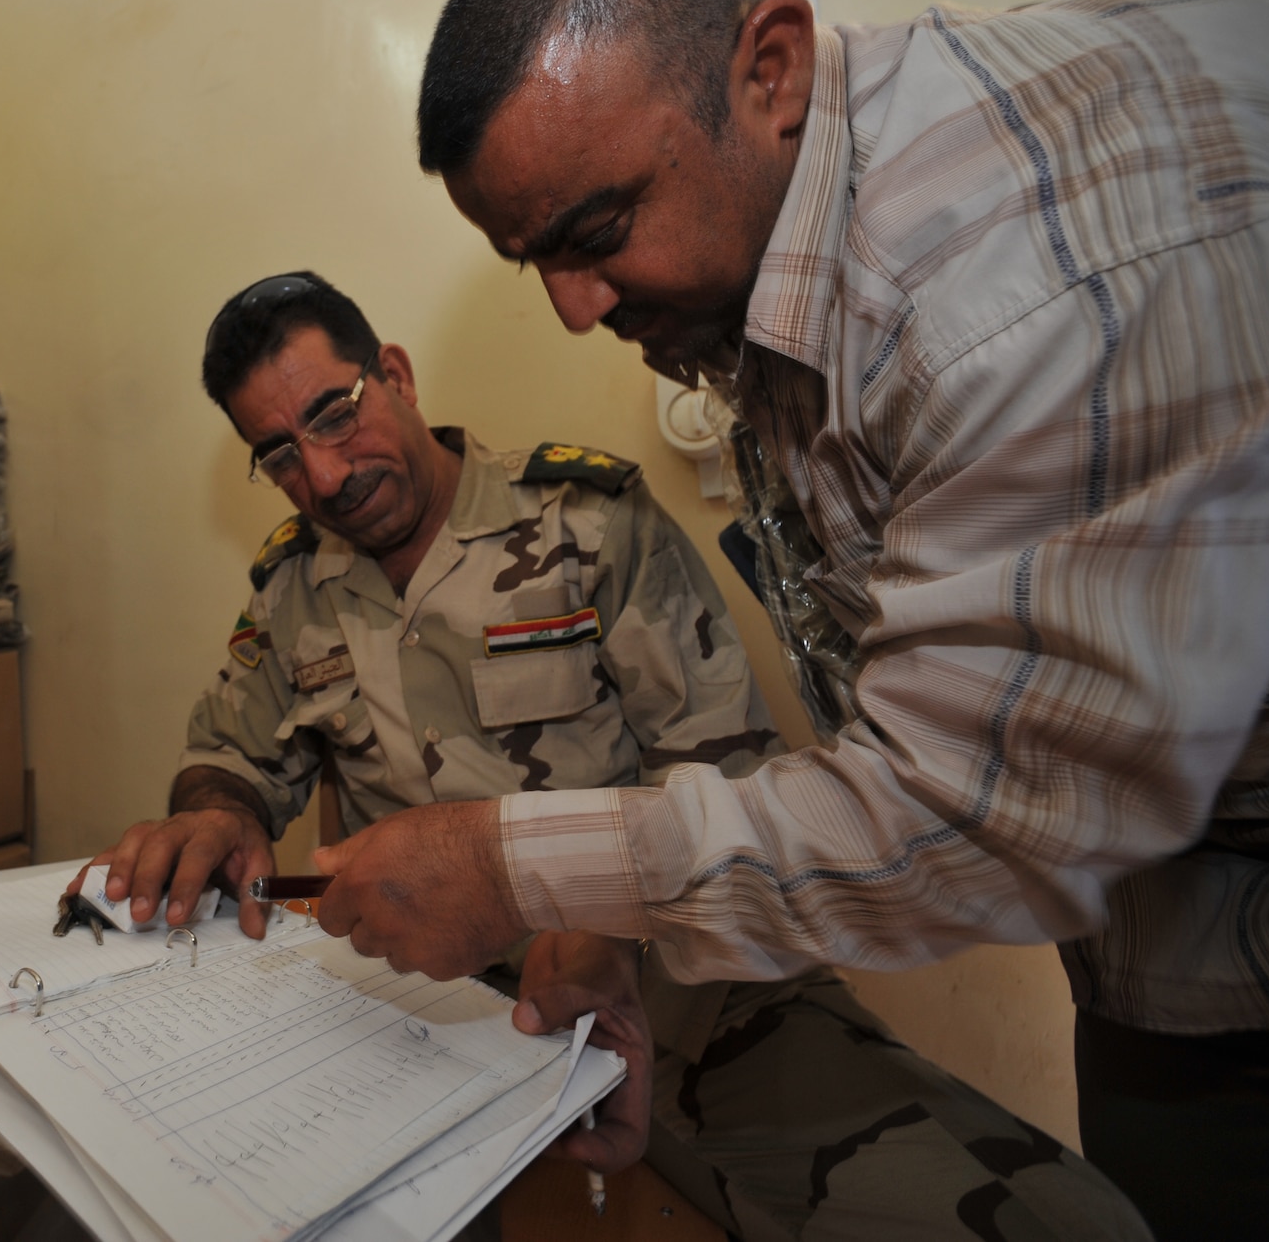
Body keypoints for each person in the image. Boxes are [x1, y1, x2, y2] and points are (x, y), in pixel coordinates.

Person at [299, 0, 1269, 1236]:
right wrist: (615, 912)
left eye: (597, 227)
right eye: (533, 257)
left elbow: (970, 808)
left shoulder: (1012, 282)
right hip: (1190, 941)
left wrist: (519, 869)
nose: (572, 308)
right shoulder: (791, 246)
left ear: (770, 67)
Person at [71, 271, 1150, 1239]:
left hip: (675, 979)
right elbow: (231, 751)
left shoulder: (586, 520)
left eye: (332, 412)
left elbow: (721, 772)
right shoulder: (291, 585)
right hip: (424, 1015)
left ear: (391, 373)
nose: (321, 470)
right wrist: (215, 807)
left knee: (1017, 1218)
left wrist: (596, 922)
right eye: (278, 453)